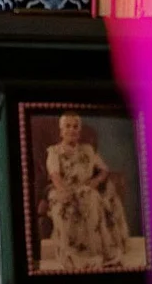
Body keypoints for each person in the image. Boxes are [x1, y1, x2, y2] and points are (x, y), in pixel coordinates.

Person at [45, 111, 130, 269]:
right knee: (66, 206)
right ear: (61, 131)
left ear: (79, 130)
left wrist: (95, 181)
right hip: (62, 189)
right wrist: (66, 192)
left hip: (85, 190)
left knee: (91, 197)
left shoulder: (87, 150)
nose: (71, 130)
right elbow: (55, 176)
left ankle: (96, 253)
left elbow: (104, 169)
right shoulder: (54, 152)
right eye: (67, 126)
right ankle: (76, 256)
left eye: (75, 126)